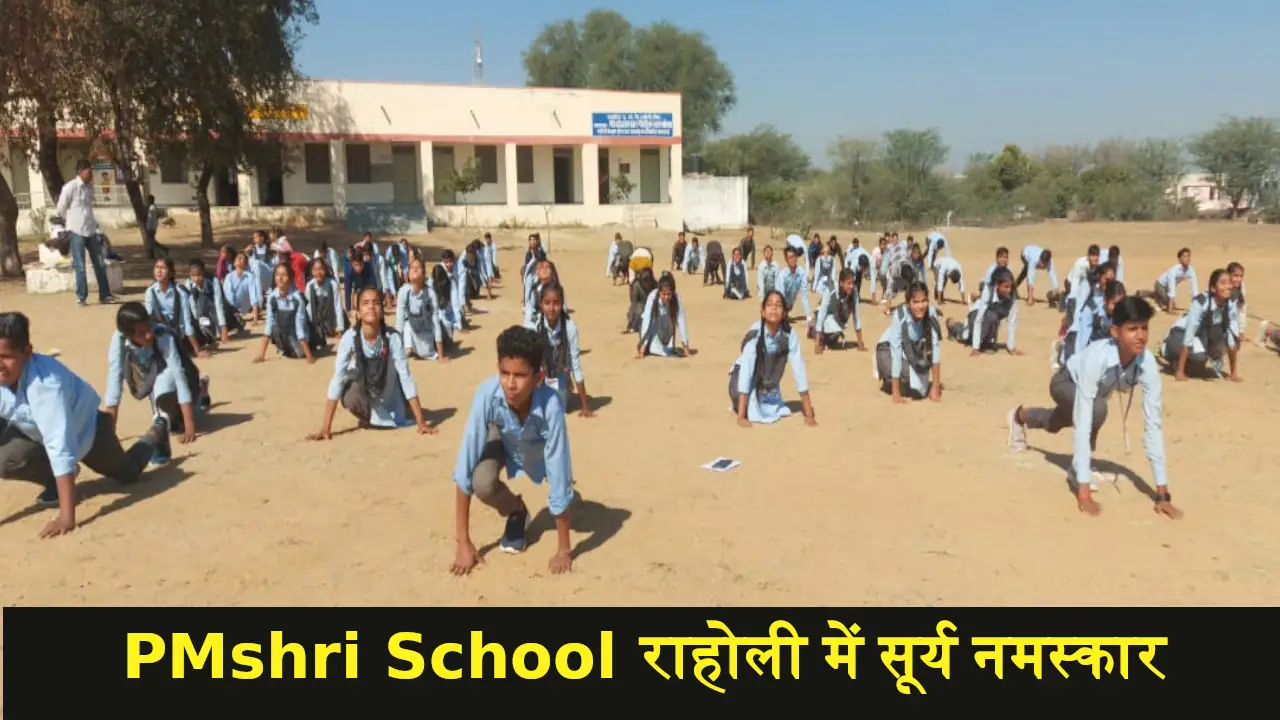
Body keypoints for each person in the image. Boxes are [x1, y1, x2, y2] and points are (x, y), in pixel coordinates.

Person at [1007, 297, 1181, 519]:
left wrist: (1162, 494)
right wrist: (1084, 492)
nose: (1140, 336)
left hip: (1093, 396)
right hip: (1065, 382)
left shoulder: (1146, 363)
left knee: (1057, 422)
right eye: (1132, 329)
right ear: (1115, 332)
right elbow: (1083, 422)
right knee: (1096, 410)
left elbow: (1153, 424)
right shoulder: (1097, 358)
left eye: (1144, 328)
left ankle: (1021, 416)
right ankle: (1079, 470)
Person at [0, 312, 169, 538]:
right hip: (36, 434)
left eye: (6, 356)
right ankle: (56, 481)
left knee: (128, 474)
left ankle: (157, 431)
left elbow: (60, 444)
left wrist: (67, 518)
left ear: (27, 352)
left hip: (89, 433)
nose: (0, 365)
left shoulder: (46, 387)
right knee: (6, 459)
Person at [451, 326, 575, 574]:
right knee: (482, 482)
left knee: (556, 473)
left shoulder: (550, 406)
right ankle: (516, 511)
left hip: (534, 447)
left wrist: (563, 550)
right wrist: (463, 542)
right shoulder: (486, 394)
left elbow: (559, 470)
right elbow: (467, 456)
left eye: (519, 375)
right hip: (501, 437)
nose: (510, 383)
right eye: (504, 373)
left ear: (538, 378)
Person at [308, 286, 436, 440]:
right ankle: (371, 417)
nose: (370, 306)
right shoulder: (350, 338)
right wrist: (325, 428)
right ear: (358, 313)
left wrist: (421, 423)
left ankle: (403, 407)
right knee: (349, 394)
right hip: (367, 393)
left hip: (390, 392)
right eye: (365, 303)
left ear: (382, 310)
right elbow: (338, 378)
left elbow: (406, 376)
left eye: (375, 302)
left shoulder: (392, 337)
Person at [105, 302, 207, 438]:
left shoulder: (162, 336)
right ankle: (176, 414)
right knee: (171, 425)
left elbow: (179, 375)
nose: (149, 335)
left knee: (163, 384)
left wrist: (190, 425)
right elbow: (114, 380)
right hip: (151, 379)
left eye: (148, 327)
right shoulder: (119, 340)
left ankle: (200, 389)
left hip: (179, 379)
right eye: (141, 333)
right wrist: (109, 433)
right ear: (129, 335)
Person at [730, 290, 816, 426]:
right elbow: (746, 370)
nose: (774, 308)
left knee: (771, 408)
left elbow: (799, 369)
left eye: (778, 305)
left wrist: (809, 414)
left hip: (767, 382)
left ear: (784, 313)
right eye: (769, 305)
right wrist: (741, 416)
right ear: (763, 312)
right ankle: (742, 405)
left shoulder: (789, 335)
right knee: (748, 408)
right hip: (742, 379)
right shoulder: (756, 334)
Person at [1161, 268, 1241, 382]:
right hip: (1179, 333)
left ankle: (1188, 364)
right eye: (1223, 283)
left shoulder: (1231, 302)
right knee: (1199, 357)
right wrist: (1180, 373)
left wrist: (1233, 374)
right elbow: (1189, 334)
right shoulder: (1201, 302)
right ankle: (1168, 352)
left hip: (1200, 335)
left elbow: (1232, 333)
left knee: (1208, 357)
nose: (1228, 286)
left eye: (1229, 283)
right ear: (1213, 288)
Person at [526, 284, 593, 417]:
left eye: (556, 303)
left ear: (562, 304)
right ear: (541, 304)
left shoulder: (569, 328)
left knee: (558, 410)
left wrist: (585, 406)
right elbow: (528, 358)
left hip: (559, 371)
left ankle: (566, 387)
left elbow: (576, 363)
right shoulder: (534, 326)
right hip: (540, 372)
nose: (551, 308)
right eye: (547, 303)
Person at [56, 159, 115, 307]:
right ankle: (81, 297)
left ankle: (105, 295)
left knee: (100, 263)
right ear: (81, 172)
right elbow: (61, 208)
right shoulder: (70, 187)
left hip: (91, 230)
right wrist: (68, 222)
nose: (91, 174)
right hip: (76, 231)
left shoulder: (90, 188)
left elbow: (88, 208)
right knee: (80, 266)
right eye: (89, 171)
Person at [875, 282, 942, 403]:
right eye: (915, 302)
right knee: (906, 375)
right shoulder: (899, 316)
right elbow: (896, 352)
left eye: (923, 301)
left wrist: (936, 386)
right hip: (887, 348)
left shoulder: (931, 313)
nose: (920, 306)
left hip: (910, 349)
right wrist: (896, 394)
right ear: (908, 303)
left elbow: (935, 347)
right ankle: (890, 380)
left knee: (920, 389)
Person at [254, 264, 319, 363]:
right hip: (285, 335)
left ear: (291, 279)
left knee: (298, 353)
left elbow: (299, 327)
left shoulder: (297, 299)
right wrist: (261, 355)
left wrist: (309, 356)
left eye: (284, 275)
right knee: (274, 328)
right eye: (277, 275)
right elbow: (268, 324)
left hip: (299, 339)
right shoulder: (272, 297)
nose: (280, 278)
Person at [947, 267, 1020, 356]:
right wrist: (975, 348)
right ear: (997, 285)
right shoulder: (988, 292)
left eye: (1010, 287)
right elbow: (978, 320)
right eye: (1006, 287)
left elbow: (1011, 323)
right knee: (965, 336)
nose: (1009, 290)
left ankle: (987, 342)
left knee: (992, 317)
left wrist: (1011, 347)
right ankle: (951, 324)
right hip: (976, 315)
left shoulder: (1012, 298)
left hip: (989, 322)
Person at [396, 258, 446, 362]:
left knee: (425, 353)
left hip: (427, 331)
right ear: (408, 273)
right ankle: (408, 348)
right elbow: (399, 321)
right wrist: (396, 348)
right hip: (411, 328)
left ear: (424, 274)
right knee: (406, 325)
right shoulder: (403, 291)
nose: (414, 270)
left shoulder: (431, 294)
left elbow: (435, 322)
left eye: (418, 268)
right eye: (412, 268)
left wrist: (441, 355)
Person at [637, 272, 695, 358]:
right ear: (659, 291)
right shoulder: (652, 297)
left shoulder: (676, 298)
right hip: (652, 327)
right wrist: (642, 349)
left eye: (669, 294)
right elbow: (646, 321)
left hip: (666, 328)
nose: (666, 297)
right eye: (663, 294)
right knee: (655, 350)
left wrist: (685, 347)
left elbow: (681, 321)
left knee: (669, 350)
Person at [811, 268, 864, 353]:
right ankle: (814, 331)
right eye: (849, 283)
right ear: (841, 283)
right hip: (824, 316)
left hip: (836, 317)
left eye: (853, 283)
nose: (852, 286)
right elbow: (822, 313)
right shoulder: (831, 290)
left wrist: (860, 342)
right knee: (831, 334)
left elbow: (856, 315)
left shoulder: (854, 291)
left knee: (833, 338)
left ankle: (826, 335)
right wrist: (817, 344)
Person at [184, 258, 232, 348]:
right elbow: (192, 304)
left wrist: (223, 327)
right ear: (190, 275)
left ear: (204, 273)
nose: (197, 279)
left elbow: (219, 304)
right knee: (206, 331)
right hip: (201, 309)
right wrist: (196, 320)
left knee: (223, 323)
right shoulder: (188, 284)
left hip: (215, 306)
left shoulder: (213, 281)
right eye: (193, 276)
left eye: (199, 275)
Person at [1139, 247, 1198, 314]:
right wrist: (1170, 310)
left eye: (1188, 256)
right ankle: (1153, 295)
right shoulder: (1174, 270)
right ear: (1179, 259)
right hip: (1160, 285)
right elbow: (1172, 288)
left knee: (1165, 299)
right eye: (1184, 256)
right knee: (1170, 304)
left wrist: (1196, 306)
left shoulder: (1191, 270)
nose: (1187, 258)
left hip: (1167, 289)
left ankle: (1142, 293)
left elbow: (1194, 289)